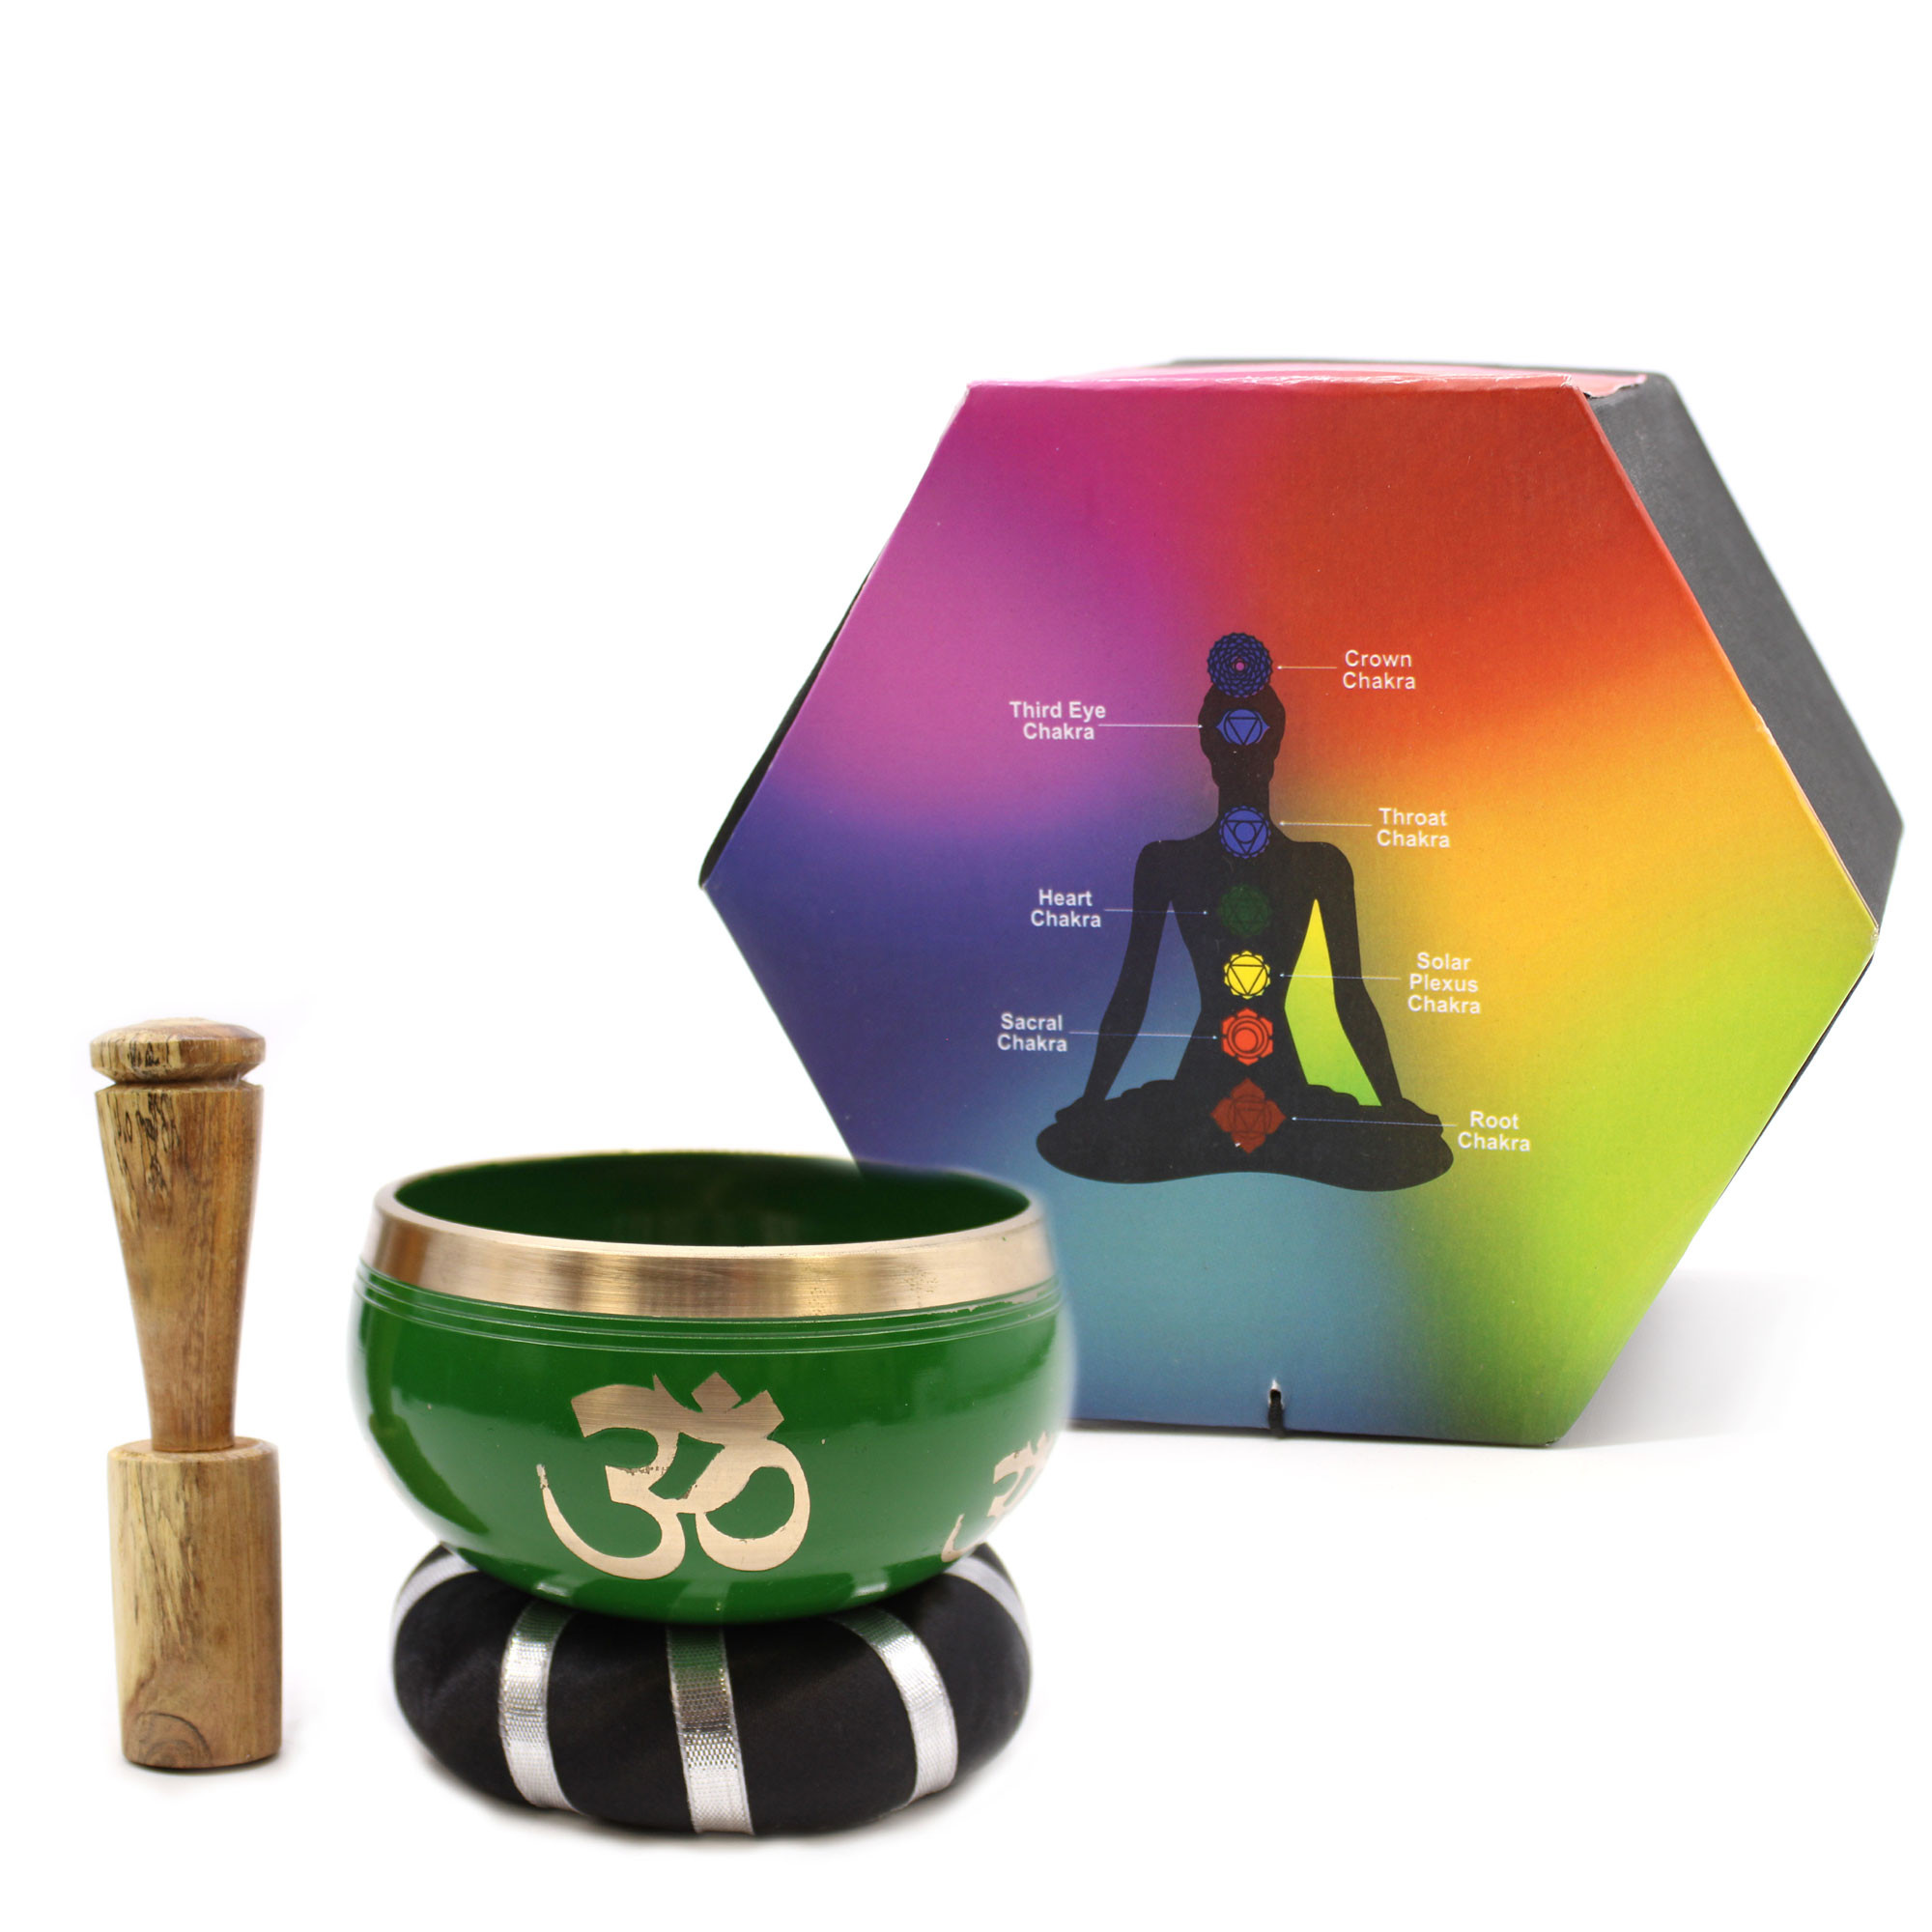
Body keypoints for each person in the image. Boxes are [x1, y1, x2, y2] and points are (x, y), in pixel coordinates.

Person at [1037, 636, 1452, 1191]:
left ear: (1274, 746)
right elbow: (1131, 994)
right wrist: (1091, 1101)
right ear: (1207, 747)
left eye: (1252, 739)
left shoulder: (1321, 866)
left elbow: (1350, 998)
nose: (1241, 758)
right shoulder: (1165, 862)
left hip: (1279, 1095)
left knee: (1406, 1148)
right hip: (1199, 1097)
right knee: (1080, 1138)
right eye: (1228, 739)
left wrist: (1394, 1105)